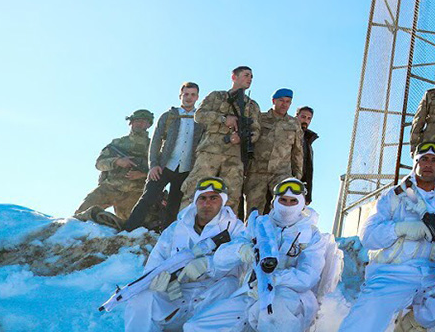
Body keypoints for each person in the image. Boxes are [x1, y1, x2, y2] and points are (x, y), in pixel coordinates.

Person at [338, 144, 435, 332]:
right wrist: (400, 229)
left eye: (434, 160)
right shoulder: (395, 196)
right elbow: (368, 236)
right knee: (367, 316)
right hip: (393, 273)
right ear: (415, 164)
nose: (428, 164)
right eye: (424, 159)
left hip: (432, 273)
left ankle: (413, 323)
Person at [193, 178, 331, 332]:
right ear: (274, 202)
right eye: (283, 200)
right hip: (251, 293)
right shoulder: (259, 226)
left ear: (302, 204)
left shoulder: (311, 235)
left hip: (289, 297)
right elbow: (220, 259)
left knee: (275, 311)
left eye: (293, 201)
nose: (287, 205)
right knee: (196, 326)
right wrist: (240, 250)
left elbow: (308, 276)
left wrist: (275, 278)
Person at [121, 178, 252, 332]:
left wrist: (208, 265)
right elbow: (157, 260)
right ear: (195, 201)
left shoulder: (236, 228)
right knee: (141, 298)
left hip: (215, 295)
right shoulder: (176, 228)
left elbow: (241, 262)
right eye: (202, 198)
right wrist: (158, 281)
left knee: (228, 285)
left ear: (222, 202)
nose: (207, 203)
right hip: (179, 295)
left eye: (213, 198)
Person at [182, 66, 262, 214]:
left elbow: (256, 130)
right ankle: (185, 223)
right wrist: (223, 119)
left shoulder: (252, 106)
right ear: (234, 77)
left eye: (251, 76)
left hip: (235, 156)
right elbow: (199, 115)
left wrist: (243, 138)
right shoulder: (216, 96)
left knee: (231, 196)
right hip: (210, 152)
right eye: (246, 75)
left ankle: (225, 226)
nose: (250, 79)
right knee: (195, 189)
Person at [125, 84, 204, 231]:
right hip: (164, 166)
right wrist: (153, 164)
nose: (189, 98)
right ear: (180, 96)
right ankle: (128, 231)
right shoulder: (168, 116)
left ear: (197, 97)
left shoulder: (200, 119)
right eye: (186, 94)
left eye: (193, 95)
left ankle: (166, 236)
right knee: (147, 198)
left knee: (174, 206)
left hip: (186, 169)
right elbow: (155, 141)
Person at [77, 109, 154, 223]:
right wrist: (117, 162)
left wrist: (142, 174)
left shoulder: (153, 146)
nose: (140, 124)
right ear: (131, 122)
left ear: (149, 125)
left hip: (136, 192)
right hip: (110, 188)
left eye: (144, 121)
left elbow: (162, 170)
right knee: (80, 216)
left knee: (136, 227)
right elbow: (99, 164)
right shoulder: (117, 143)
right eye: (137, 120)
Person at [243, 89, 304, 216]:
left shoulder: (294, 124)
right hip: (257, 171)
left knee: (284, 209)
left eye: (288, 102)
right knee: (253, 211)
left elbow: (297, 151)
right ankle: (251, 229)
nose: (284, 104)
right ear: (273, 101)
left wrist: (297, 175)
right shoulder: (260, 118)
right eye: (281, 101)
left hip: (281, 172)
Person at [296, 106, 316, 203]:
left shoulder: (307, 140)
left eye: (309, 118)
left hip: (299, 186)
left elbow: (308, 169)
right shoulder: (288, 134)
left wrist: (308, 196)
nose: (306, 121)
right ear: (297, 116)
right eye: (303, 117)